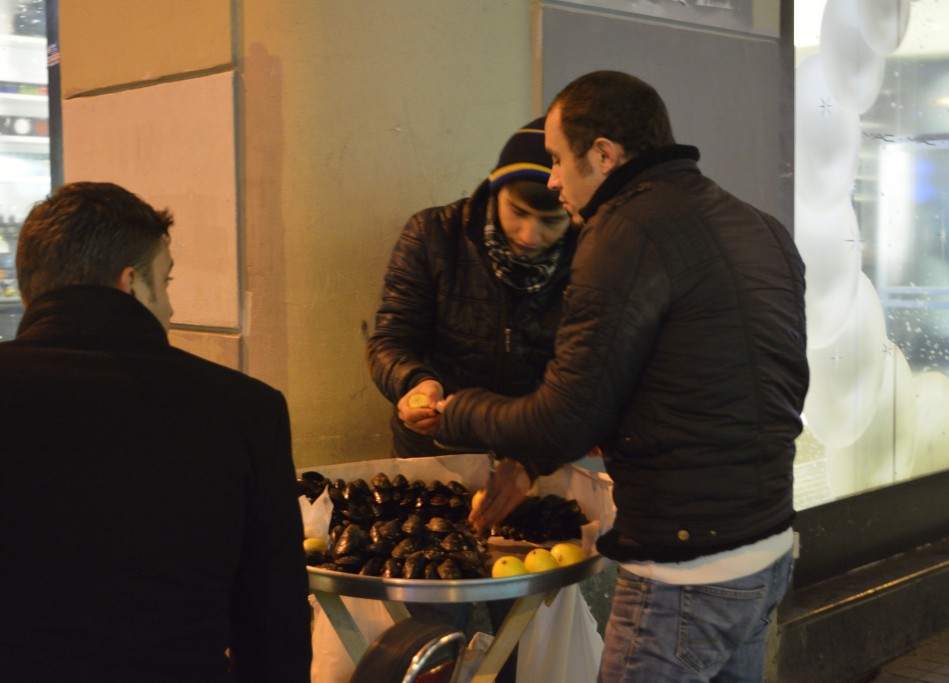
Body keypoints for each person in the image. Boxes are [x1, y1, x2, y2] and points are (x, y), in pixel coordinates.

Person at [435, 71, 810, 683]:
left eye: (557, 159)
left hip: (683, 574)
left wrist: (455, 410)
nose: (552, 180)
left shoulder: (623, 232)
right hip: (766, 550)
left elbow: (567, 414)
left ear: (604, 154)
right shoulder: (756, 224)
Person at [0, 182, 312, 682]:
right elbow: (274, 626)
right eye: (164, 283)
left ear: (30, 288)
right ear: (132, 283)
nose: (168, 308)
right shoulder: (246, 410)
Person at [367, 118, 575, 683]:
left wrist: (529, 463)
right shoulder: (432, 234)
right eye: (517, 213)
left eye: (549, 220)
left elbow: (583, 383)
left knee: (524, 630)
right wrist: (414, 382)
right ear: (493, 189)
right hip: (433, 460)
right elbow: (390, 338)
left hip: (532, 464)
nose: (531, 235)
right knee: (436, 631)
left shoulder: (591, 256)